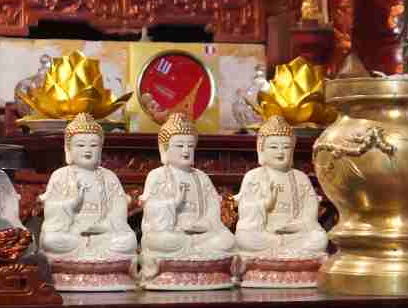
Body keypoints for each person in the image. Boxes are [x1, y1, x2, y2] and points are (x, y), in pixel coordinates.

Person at [138, 112, 235, 285]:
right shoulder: (158, 176)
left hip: (203, 234)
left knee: (227, 241)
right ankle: (196, 262)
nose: (185, 151)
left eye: (190, 146)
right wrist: (172, 204)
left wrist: (205, 224)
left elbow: (213, 207)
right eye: (179, 145)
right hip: (172, 233)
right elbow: (151, 208)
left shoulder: (201, 177)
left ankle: (196, 261)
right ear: (165, 149)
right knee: (158, 241)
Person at [39, 112, 138, 263]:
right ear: (68, 149)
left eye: (93, 145)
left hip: (103, 232)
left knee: (127, 241)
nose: (87, 150)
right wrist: (72, 204)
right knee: (51, 240)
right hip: (71, 232)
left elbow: (119, 208)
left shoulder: (108, 177)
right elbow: (51, 209)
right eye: (80, 145)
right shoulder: (60, 176)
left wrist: (104, 226)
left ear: (101, 148)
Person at [234, 115, 327, 273]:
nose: (280, 152)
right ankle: (291, 254)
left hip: (295, 234)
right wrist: (264, 204)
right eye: (274, 147)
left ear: (292, 150)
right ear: (261, 149)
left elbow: (310, 212)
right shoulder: (254, 176)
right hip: (265, 234)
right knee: (244, 238)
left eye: (285, 147)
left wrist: (298, 226)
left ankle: (278, 254)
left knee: (319, 239)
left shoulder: (300, 178)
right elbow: (245, 213)